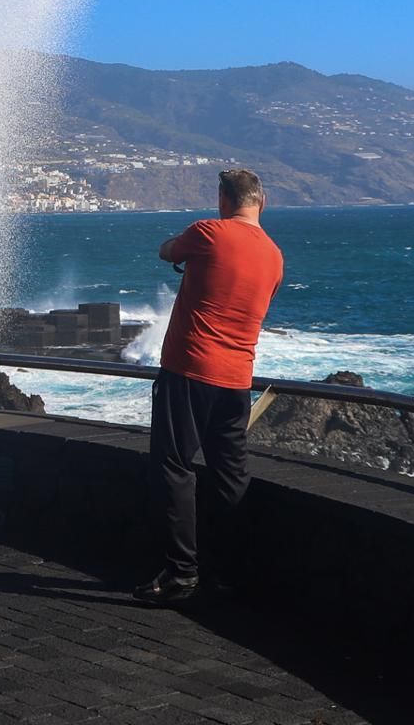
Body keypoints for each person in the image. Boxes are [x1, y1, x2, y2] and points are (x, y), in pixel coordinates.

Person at [132, 167, 284, 605]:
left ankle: (181, 574)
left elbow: (167, 251)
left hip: (190, 370)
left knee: (174, 466)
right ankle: (228, 571)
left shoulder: (208, 233)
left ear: (222, 200)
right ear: (262, 202)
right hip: (238, 380)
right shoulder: (275, 256)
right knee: (229, 476)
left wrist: (183, 253)